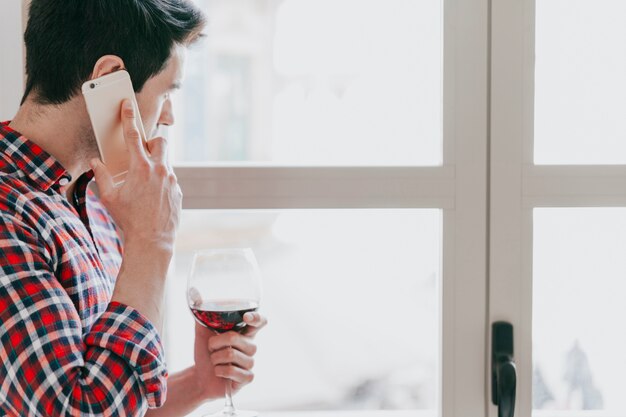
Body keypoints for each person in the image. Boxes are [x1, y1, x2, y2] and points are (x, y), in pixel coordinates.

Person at [0, 1, 267, 416]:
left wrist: (197, 385)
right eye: (167, 92)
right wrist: (152, 240)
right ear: (110, 80)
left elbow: (110, 399)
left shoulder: (96, 198)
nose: (170, 117)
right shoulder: (8, 219)